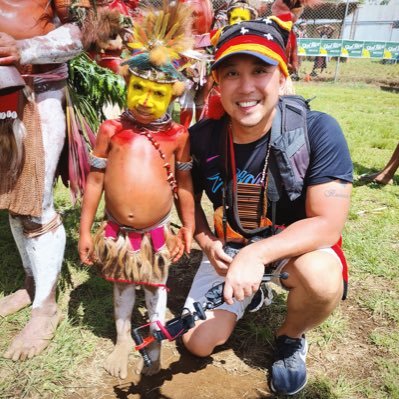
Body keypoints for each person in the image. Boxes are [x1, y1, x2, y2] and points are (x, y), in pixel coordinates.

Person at [181, 17, 353, 396]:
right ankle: (252, 293)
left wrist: (258, 254)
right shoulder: (202, 137)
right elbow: (187, 197)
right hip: (229, 247)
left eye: (260, 70)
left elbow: (327, 225)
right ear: (216, 83)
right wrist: (207, 243)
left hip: (293, 249)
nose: (246, 87)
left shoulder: (318, 130)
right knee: (197, 342)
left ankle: (290, 337)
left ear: (281, 78)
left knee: (323, 279)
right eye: (231, 73)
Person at [78, 2, 195, 379]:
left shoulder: (177, 136)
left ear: (173, 97)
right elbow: (94, 180)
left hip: (156, 232)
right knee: (122, 285)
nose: (145, 100)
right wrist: (84, 230)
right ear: (128, 84)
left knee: (155, 287)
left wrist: (188, 227)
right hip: (117, 232)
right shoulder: (111, 130)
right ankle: (123, 338)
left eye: (156, 94)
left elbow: (186, 186)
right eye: (139, 89)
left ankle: (155, 343)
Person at [0, 0, 93, 362]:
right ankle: (30, 284)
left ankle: (46, 306)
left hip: (38, 92)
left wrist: (24, 48)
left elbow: (83, 31)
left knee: (36, 204)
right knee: (11, 197)